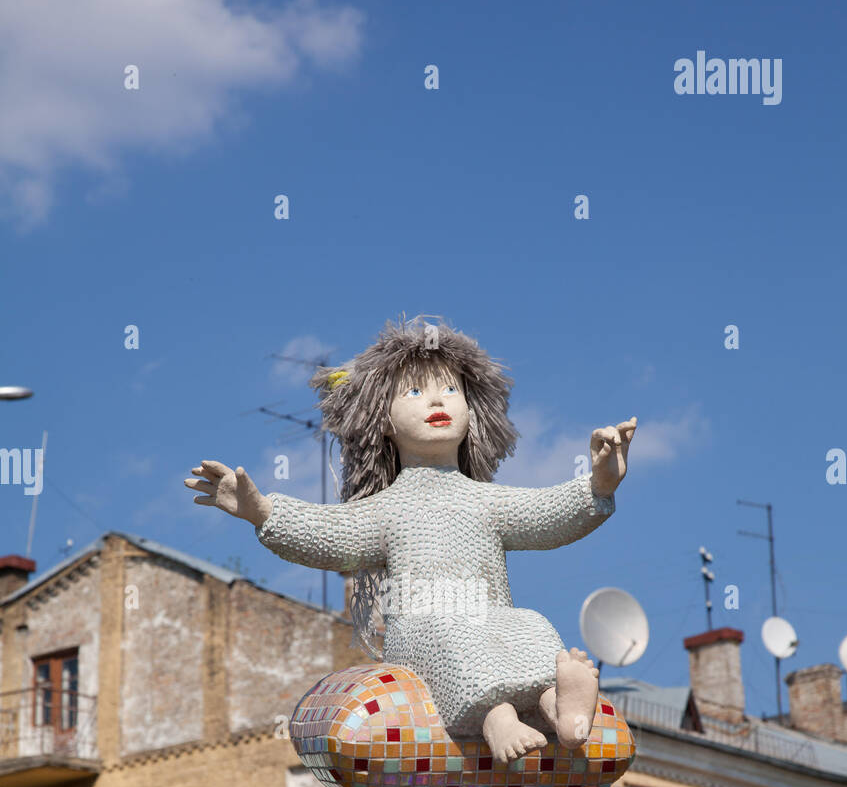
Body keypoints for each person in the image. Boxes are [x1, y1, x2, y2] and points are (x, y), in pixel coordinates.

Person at [185, 317, 636, 764]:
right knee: (448, 632)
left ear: (471, 410)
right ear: (381, 420)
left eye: (450, 390)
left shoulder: (486, 500)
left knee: (531, 623)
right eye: (415, 392)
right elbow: (329, 533)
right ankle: (496, 718)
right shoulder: (386, 509)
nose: (437, 399)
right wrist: (260, 511)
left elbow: (548, 514)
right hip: (420, 630)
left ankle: (559, 708)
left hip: (491, 621)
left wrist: (599, 483)